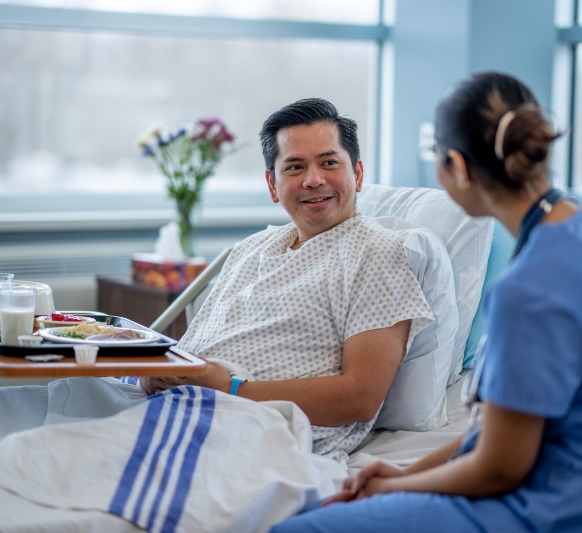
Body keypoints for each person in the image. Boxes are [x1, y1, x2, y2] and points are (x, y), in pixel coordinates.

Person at [271, 72, 582, 532]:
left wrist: (393, 489)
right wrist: (405, 473)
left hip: (569, 510)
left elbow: (499, 467)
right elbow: (501, 425)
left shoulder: (532, 286)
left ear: (457, 166)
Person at [141, 98, 434, 463]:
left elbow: (360, 397)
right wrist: (159, 375)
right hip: (176, 408)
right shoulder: (250, 249)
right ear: (272, 184)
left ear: (357, 174)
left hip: (252, 434)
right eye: (295, 167)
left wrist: (229, 388)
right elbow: (196, 348)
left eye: (329, 163)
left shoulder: (374, 253)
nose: (313, 179)